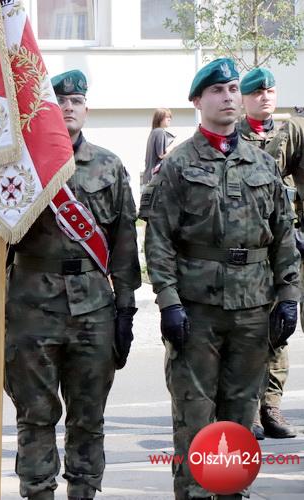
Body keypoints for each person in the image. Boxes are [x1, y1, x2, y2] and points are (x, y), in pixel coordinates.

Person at [0, 70, 140, 500]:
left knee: (88, 417)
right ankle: (39, 492)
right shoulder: (19, 166)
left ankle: (84, 492)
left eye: (76, 101)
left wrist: (125, 310)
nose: (68, 108)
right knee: (35, 415)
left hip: (93, 308)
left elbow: (124, 243)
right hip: (31, 307)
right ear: (43, 109)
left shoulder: (108, 166)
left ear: (86, 109)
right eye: (59, 101)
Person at [140, 58, 300, 499]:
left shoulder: (262, 164)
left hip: (252, 311)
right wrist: (169, 301)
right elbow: (159, 239)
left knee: (240, 417)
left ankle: (233, 494)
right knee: (194, 416)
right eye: (216, 90)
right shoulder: (177, 164)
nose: (228, 97)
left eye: (232, 89)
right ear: (197, 101)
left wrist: (289, 295)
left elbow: (284, 235)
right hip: (197, 311)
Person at [239, 67, 304, 440]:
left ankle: (271, 406)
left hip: (283, 250)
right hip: (248, 249)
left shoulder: (289, 136)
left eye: (269, 91)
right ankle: (248, 409)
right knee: (250, 331)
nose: (264, 97)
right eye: (256, 92)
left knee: (280, 328)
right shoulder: (233, 138)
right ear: (244, 98)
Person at [142, 108, 175, 187]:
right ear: (160, 118)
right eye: (167, 117)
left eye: (170, 117)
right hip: (156, 178)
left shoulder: (154, 132)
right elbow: (161, 155)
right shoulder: (160, 132)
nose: (169, 119)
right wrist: (174, 149)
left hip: (149, 177)